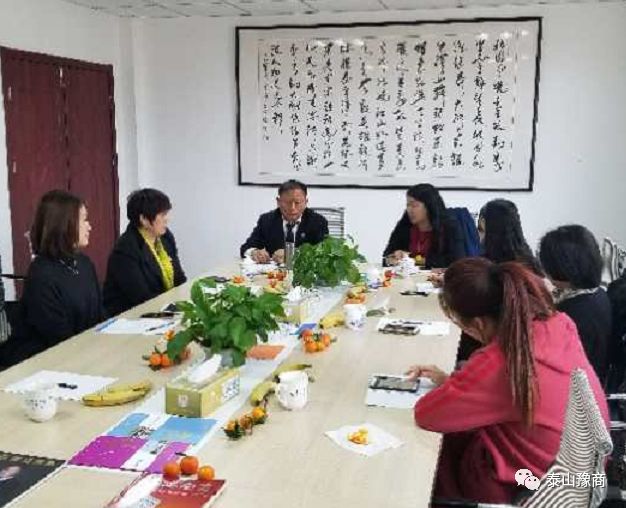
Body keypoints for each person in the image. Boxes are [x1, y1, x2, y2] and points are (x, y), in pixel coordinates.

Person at [406, 258, 608, 504]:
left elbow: (427, 414)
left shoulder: (500, 360)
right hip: (586, 477)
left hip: (536, 486)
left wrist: (460, 385)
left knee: (434, 455)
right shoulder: (559, 324)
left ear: (478, 323)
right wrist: (455, 382)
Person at [1, 191, 104, 366]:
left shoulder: (83, 262)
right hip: (50, 361)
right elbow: (58, 337)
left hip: (86, 351)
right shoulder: (41, 274)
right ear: (64, 225)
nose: (89, 227)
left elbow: (100, 313)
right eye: (84, 220)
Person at [457, 199, 542, 361]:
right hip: (525, 345)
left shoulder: (494, 267)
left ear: (489, 229)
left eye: (481, 230)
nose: (479, 237)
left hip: (497, 347)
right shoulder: (528, 260)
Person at [539, 225, 612, 384]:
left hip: (575, 390)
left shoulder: (568, 316)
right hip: (596, 381)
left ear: (560, 268)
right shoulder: (600, 294)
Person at [103, 189, 186, 316]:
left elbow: (179, 278)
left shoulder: (165, 237)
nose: (167, 219)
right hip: (133, 317)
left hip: (163, 309)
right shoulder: (125, 250)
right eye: (162, 215)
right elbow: (143, 298)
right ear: (144, 219)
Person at [240, 179, 329, 264]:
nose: (292, 208)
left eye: (297, 203)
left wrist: (292, 254)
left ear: (306, 202)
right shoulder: (266, 220)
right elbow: (246, 248)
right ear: (278, 202)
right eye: (287, 202)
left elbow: (324, 252)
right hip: (273, 273)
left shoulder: (318, 221)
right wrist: (254, 252)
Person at [383, 184, 464, 268]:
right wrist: (392, 258)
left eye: (414, 205)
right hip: (407, 276)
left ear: (429, 206)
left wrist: (417, 261)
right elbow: (385, 258)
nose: (409, 210)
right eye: (408, 205)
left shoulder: (449, 226)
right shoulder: (404, 225)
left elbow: (456, 261)